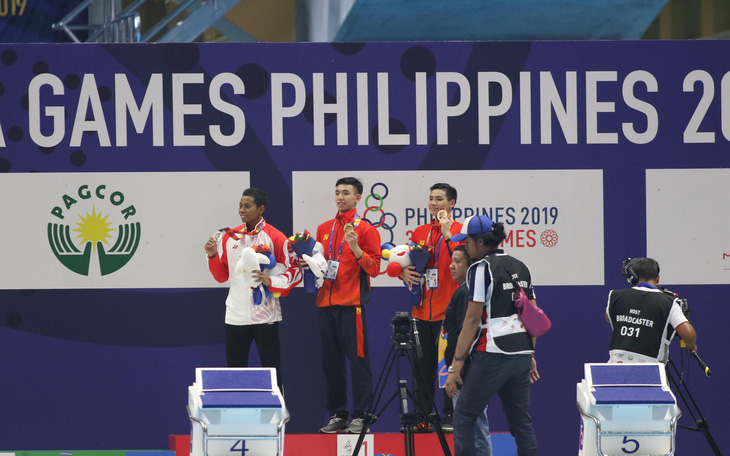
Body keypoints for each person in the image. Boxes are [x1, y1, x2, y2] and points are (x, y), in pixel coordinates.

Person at [445, 215, 540, 456]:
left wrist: (456, 364)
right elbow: (533, 315)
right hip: (520, 354)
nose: (465, 246)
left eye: (467, 241)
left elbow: (472, 318)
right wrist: (530, 352)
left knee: (464, 415)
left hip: (492, 353)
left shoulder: (480, 268)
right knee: (522, 425)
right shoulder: (522, 266)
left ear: (479, 241)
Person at [204, 187, 302, 390]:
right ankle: (237, 417)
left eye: (247, 206)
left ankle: (278, 420)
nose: (242, 210)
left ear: (261, 209)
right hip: (235, 315)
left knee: (272, 372)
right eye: (240, 205)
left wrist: (270, 281)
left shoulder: (275, 237)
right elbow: (222, 276)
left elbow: (296, 271)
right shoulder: (230, 237)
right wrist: (213, 255)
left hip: (265, 316)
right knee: (235, 372)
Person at [307, 177, 382, 434]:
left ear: (358, 198)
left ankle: (361, 416)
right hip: (326, 303)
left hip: (352, 304)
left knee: (358, 361)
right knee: (331, 362)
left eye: (346, 193)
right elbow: (319, 262)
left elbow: (375, 267)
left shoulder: (366, 230)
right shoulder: (324, 228)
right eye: (337, 192)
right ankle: (338, 414)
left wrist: (356, 249)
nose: (340, 197)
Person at [400, 183, 463, 431]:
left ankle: (450, 414)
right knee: (422, 366)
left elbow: (463, 262)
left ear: (451, 204)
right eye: (431, 199)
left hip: (449, 311)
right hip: (421, 310)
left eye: (439, 199)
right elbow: (402, 260)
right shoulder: (420, 232)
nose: (433, 203)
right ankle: (424, 415)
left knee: (448, 365)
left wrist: (448, 235)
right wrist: (402, 271)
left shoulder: (459, 231)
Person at [443, 245, 492, 456]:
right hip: (466, 370)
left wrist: (457, 369)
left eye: (458, 261)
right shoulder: (463, 290)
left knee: (475, 425)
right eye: (451, 261)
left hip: (467, 371)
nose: (451, 266)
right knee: (471, 424)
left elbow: (468, 332)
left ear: (470, 265)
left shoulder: (466, 292)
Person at [606, 257, 697, 364]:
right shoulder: (669, 302)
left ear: (633, 278)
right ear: (657, 278)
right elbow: (689, 334)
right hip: (651, 371)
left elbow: (608, 317)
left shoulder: (615, 296)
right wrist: (692, 346)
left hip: (615, 366)